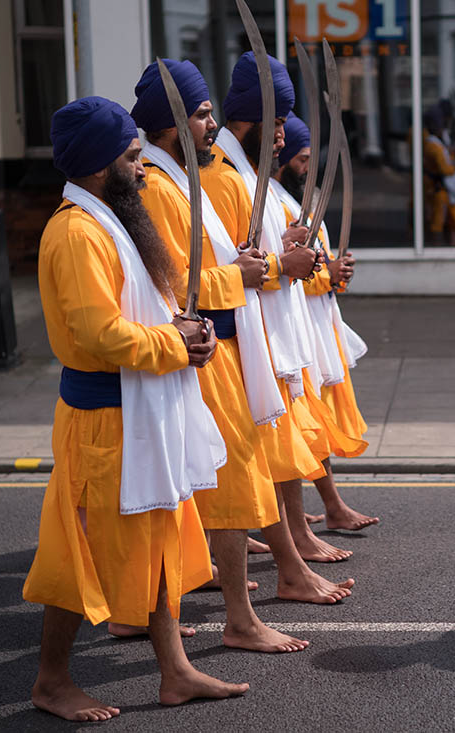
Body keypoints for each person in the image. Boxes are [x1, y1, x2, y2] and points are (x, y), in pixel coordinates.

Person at [21, 96, 247, 720]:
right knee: (85, 549)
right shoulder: (75, 233)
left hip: (143, 406)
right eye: (130, 155)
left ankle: (174, 671)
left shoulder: (116, 218)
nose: (142, 164)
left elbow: (145, 306)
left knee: (157, 533)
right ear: (98, 165)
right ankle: (51, 682)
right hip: (102, 421)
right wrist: (177, 344)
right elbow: (100, 336)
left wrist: (185, 328)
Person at [131, 58, 308, 652]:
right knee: (221, 491)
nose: (212, 125)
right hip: (200, 352)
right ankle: (238, 618)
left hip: (220, 351)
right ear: (170, 127)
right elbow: (177, 285)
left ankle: (153, 611)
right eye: (203, 114)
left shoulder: (187, 180)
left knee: (213, 491)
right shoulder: (156, 189)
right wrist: (252, 273)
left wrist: (257, 264)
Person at [202, 50, 357, 595]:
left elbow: (253, 252)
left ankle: (294, 549)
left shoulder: (246, 173)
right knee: (252, 459)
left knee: (274, 449)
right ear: (243, 118)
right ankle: (288, 565)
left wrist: (287, 250)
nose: (282, 137)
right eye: (273, 126)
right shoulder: (222, 179)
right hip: (241, 337)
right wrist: (280, 263)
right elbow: (221, 270)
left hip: (269, 331)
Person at [273, 113, 379, 536]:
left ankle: (318, 508)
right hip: (296, 327)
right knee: (303, 423)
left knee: (312, 422)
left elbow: (315, 264)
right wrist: (325, 274)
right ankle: (309, 514)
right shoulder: (276, 205)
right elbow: (288, 272)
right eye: (301, 160)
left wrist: (335, 273)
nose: (306, 169)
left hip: (317, 322)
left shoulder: (299, 202)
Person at [421, 106, 455, 246]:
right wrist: (454, 166)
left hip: (442, 187)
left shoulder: (436, 143)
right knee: (438, 218)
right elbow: (444, 168)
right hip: (438, 187)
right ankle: (435, 244)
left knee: (449, 216)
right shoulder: (433, 145)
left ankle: (450, 239)